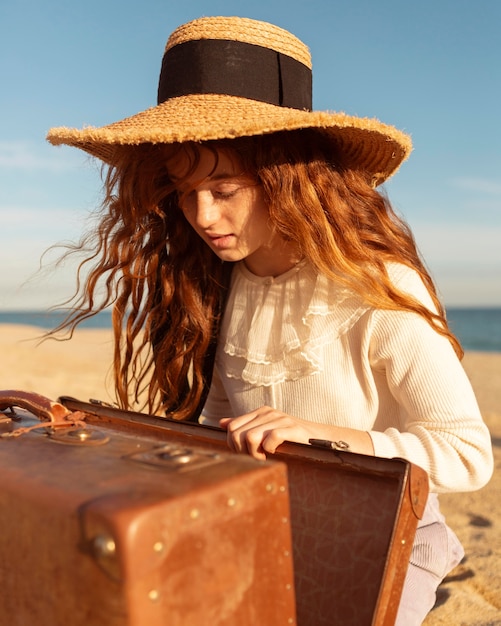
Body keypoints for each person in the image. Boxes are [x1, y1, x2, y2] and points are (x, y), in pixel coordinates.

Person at [47, 16, 493, 625]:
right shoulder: (218, 281)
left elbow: (467, 453)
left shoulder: (378, 284)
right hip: (263, 516)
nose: (201, 215)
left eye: (224, 188)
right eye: (183, 191)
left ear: (290, 180)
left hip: (386, 531)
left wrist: (323, 440)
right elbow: (219, 419)